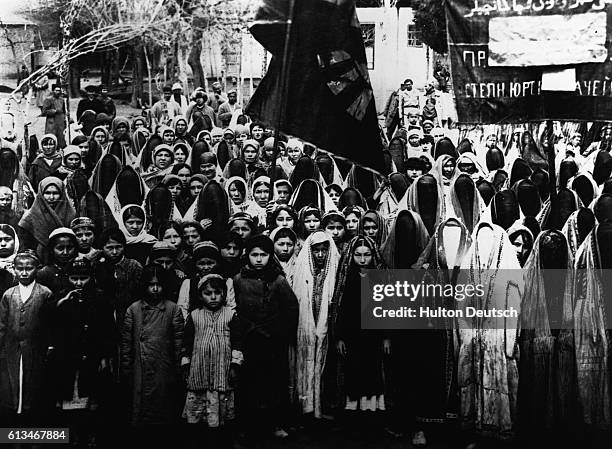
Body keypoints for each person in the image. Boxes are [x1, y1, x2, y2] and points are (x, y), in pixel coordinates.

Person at [233, 235, 298, 441]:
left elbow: (291, 308)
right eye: (254, 255)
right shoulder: (239, 279)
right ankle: (248, 425)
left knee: (274, 383)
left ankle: (276, 423)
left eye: (263, 255)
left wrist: (281, 333)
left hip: (272, 341)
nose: (259, 259)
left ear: (270, 256)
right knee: (249, 384)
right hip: (249, 340)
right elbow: (236, 309)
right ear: (248, 256)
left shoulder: (278, 280)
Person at [52, 258, 115, 448]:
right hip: (68, 361)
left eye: (83, 278)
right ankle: (73, 439)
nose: (78, 283)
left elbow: (109, 331)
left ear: (91, 278)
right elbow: (50, 327)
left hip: (92, 360)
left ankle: (91, 439)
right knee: (70, 403)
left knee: (92, 403)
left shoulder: (100, 298)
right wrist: (62, 303)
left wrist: (105, 356)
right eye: (74, 278)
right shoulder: (61, 298)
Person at [120, 264, 184, 444]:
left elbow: (178, 342)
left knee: (163, 412)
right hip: (140, 368)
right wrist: (127, 368)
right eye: (150, 284)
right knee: (141, 413)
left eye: (159, 284)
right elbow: (126, 343)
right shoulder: (134, 309)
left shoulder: (173, 309)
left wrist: (178, 368)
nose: (155, 289)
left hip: (164, 367)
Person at [181, 274, 242, 446]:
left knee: (219, 412)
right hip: (199, 369)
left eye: (218, 292)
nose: (213, 297)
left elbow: (238, 341)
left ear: (224, 294)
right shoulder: (194, 316)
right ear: (200, 296)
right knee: (198, 414)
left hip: (222, 370)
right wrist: (185, 364)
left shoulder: (230, 315)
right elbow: (186, 342)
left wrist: (235, 365)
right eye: (208, 293)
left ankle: (220, 440)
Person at [0, 250, 54, 425]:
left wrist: (49, 347)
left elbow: (49, 325)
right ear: (14, 269)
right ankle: (14, 427)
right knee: (12, 386)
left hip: (35, 349)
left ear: (36, 269)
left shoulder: (45, 293)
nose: (24, 272)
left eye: (29, 268)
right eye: (20, 268)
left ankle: (33, 429)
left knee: (34, 386)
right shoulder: (9, 294)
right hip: (12, 349)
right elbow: (1, 324)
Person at [292, 230, 340, 419]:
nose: (320, 255)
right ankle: (305, 407)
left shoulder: (335, 271)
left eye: (324, 250)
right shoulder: (301, 271)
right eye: (316, 250)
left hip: (327, 328)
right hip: (305, 328)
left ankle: (321, 408)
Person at [18, 177, 76, 263]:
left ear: (62, 194)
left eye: (56, 193)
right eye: (47, 193)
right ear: (41, 194)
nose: (51, 197)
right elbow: (25, 246)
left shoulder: (71, 213)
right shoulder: (29, 217)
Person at [42, 84, 67, 148]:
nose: (58, 92)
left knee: (61, 137)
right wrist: (53, 111)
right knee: (51, 137)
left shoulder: (62, 100)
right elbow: (44, 112)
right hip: (51, 122)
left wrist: (65, 117)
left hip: (60, 121)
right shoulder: (48, 99)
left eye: (59, 90)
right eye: (56, 90)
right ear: (53, 91)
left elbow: (64, 110)